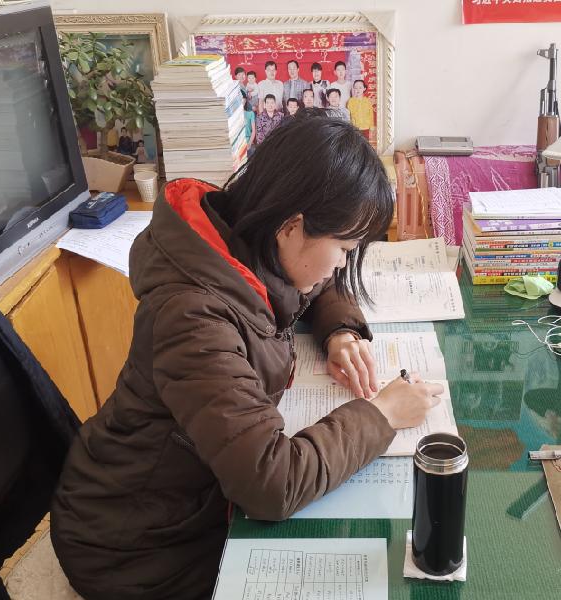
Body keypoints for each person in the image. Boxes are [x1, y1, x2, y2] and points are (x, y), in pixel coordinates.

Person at [51, 115, 443, 600]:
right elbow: (271, 484)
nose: (343, 264)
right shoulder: (195, 318)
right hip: (136, 545)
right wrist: (381, 414)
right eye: (344, 248)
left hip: (185, 499)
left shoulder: (241, 237)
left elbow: (310, 281)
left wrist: (340, 330)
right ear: (292, 227)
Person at [241, 89, 256, 157]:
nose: (241, 101)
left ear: (245, 100)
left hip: (248, 141)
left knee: (252, 150)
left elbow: (253, 131)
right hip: (238, 144)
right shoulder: (232, 117)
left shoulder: (250, 113)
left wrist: (249, 143)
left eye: (243, 99)